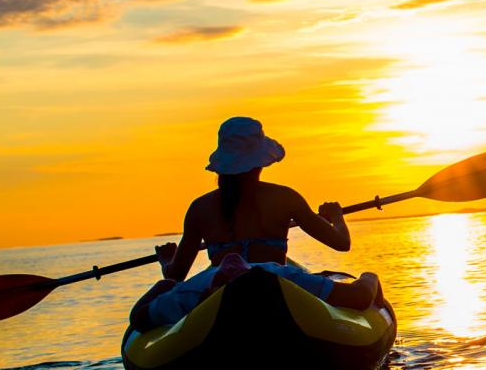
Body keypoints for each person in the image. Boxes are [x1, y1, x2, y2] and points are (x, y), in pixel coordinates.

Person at [129, 117, 381, 330]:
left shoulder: (200, 207)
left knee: (140, 317)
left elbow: (177, 274)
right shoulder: (284, 197)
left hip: (215, 279)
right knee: (358, 297)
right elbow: (341, 243)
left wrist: (166, 262)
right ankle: (371, 278)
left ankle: (206, 292)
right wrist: (336, 216)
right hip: (275, 278)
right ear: (261, 160)